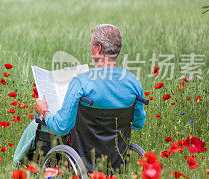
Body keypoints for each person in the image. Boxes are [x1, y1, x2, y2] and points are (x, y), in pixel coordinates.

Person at [12, 24, 146, 168]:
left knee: (36, 125)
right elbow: (138, 123)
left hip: (83, 155)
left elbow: (62, 126)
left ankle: (16, 168)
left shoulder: (81, 83)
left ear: (98, 48)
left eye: (91, 46)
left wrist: (44, 112)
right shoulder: (133, 82)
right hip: (115, 157)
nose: (91, 49)